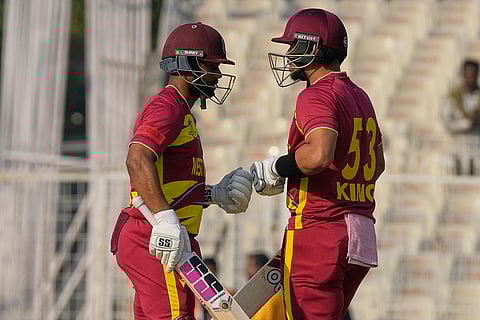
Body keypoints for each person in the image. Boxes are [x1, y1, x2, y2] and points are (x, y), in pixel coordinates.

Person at [110, 22, 253, 320]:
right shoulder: (169, 107)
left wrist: (214, 194)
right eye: (210, 65)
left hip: (154, 232)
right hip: (155, 232)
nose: (217, 74)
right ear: (187, 63)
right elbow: (137, 159)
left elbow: (170, 182)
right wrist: (163, 218)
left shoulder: (178, 110)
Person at [250, 8, 384, 320]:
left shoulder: (316, 94)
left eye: (293, 45)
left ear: (313, 48)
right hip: (360, 231)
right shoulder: (361, 95)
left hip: (319, 231)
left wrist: (276, 168)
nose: (288, 53)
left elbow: (318, 154)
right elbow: (378, 164)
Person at [441, 59, 480, 175]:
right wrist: (467, 123)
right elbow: (447, 122)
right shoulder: (454, 97)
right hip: (459, 144)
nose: (471, 76)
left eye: (474, 73)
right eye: (468, 72)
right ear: (463, 74)